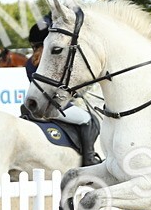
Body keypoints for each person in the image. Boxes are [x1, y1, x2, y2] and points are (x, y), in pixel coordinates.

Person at [24, 18, 101, 167]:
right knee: (87, 119)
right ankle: (89, 157)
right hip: (53, 105)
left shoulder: (29, 62)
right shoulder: (49, 60)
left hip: (34, 103)